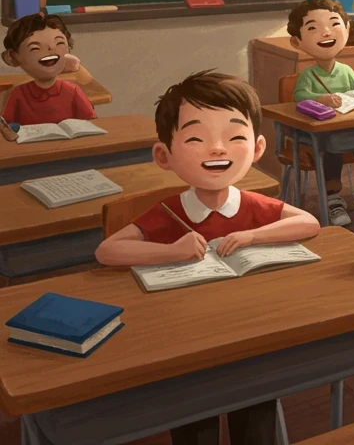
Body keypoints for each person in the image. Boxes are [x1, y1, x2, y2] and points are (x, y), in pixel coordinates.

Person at [96, 70, 320, 445]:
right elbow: (107, 251)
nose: (218, 149)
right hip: (187, 344)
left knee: (255, 415)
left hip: (249, 336)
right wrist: (171, 251)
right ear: (164, 155)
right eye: (196, 139)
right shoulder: (170, 210)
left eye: (235, 137)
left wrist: (252, 235)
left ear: (257, 148)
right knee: (195, 419)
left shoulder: (252, 204)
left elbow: (309, 223)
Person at [287, 0, 354, 226]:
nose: (326, 33)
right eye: (313, 28)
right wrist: (321, 99)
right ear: (297, 41)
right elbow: (299, 96)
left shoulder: (346, 71)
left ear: (347, 29)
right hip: (323, 135)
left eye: (334, 24)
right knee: (333, 150)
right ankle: (333, 199)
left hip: (350, 130)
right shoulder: (309, 75)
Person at [0, 12, 94, 139]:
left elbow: (91, 123)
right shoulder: (18, 94)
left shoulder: (73, 91)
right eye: (35, 48)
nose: (51, 49)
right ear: (14, 57)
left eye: (59, 43)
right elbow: (6, 128)